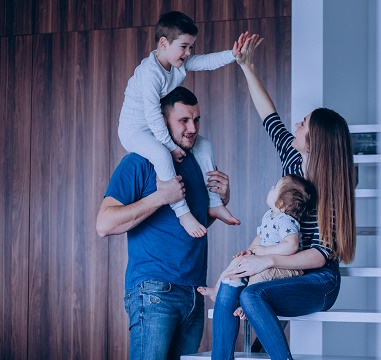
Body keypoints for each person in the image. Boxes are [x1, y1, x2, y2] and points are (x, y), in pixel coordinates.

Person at [210, 35, 357, 360]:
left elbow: (320, 255)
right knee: (230, 284)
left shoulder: (332, 190)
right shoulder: (293, 161)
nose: (297, 123)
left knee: (253, 297)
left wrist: (268, 259)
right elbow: (269, 117)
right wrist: (246, 66)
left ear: (315, 141)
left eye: (304, 124)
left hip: (318, 280)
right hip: (282, 272)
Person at [96, 86, 233, 360]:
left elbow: (190, 225)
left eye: (196, 120)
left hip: (194, 293)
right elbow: (104, 224)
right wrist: (160, 197)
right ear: (163, 120)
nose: (192, 128)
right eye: (183, 120)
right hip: (155, 291)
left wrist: (220, 203)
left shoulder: (195, 162)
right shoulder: (138, 162)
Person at [118, 10, 246, 238]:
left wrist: (233, 54)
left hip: (155, 126)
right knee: (160, 155)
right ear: (164, 43)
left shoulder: (177, 64)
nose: (188, 53)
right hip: (136, 130)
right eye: (184, 47)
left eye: (191, 48)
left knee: (204, 145)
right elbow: (153, 115)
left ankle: (214, 203)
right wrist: (170, 146)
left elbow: (207, 61)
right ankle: (182, 212)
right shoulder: (150, 73)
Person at [198, 174, 316, 302]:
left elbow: (291, 245)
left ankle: (247, 304)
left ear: (281, 203)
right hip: (266, 260)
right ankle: (217, 289)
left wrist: (265, 251)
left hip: (285, 267)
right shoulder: (269, 216)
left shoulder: (286, 221)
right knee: (237, 263)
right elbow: (261, 237)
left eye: (275, 187)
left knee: (258, 278)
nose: (271, 187)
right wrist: (250, 251)